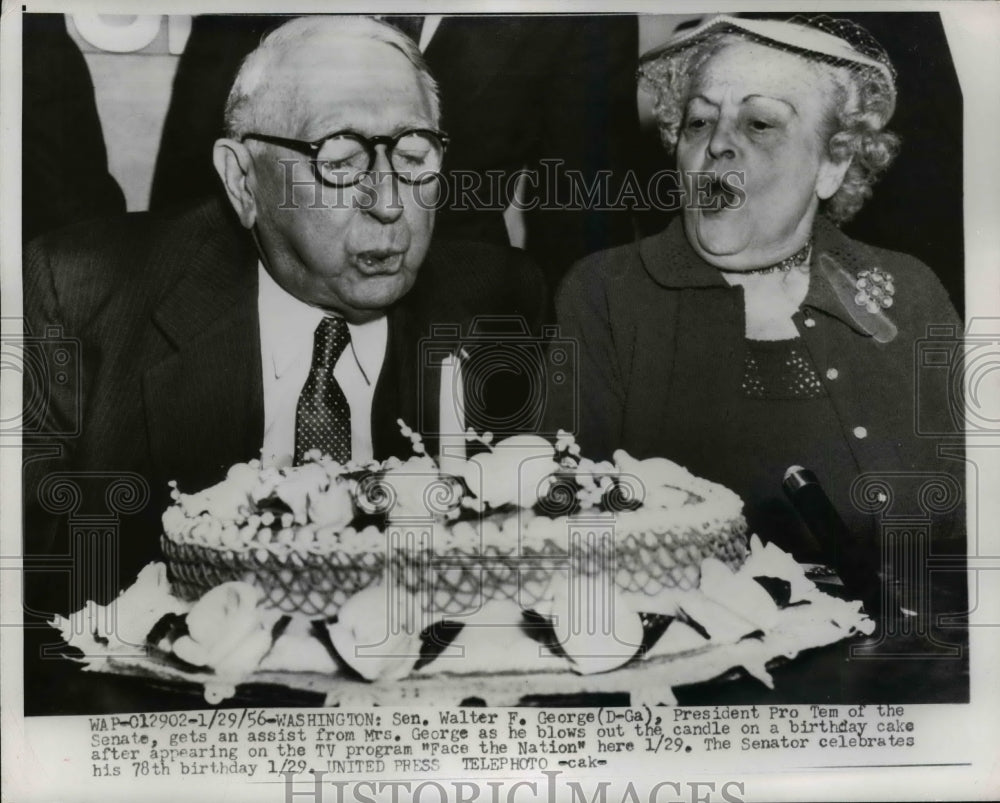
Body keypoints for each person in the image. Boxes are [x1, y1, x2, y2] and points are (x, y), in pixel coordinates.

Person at [23, 16, 548, 622]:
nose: (388, 202)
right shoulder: (80, 297)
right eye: (340, 160)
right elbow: (36, 606)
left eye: (412, 155)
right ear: (242, 181)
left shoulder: (502, 307)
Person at [555, 15, 964, 566]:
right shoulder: (606, 294)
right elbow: (566, 529)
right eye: (698, 122)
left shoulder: (908, 291)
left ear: (833, 162)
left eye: (760, 124)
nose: (718, 143)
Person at [149, 13, 642, 288]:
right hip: (264, 303)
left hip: (458, 321)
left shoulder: (580, 17)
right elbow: (191, 185)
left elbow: (585, 224)